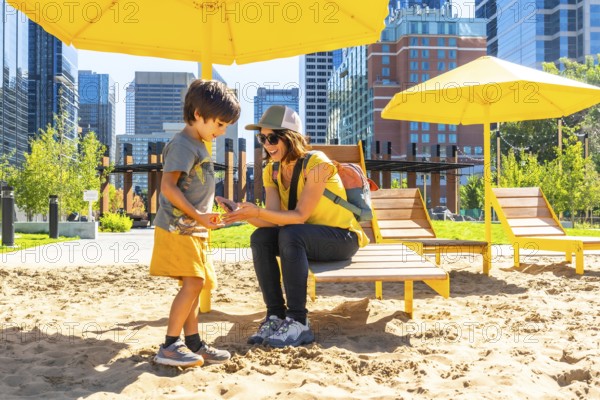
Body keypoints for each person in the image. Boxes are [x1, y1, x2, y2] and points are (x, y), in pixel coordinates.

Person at [222, 105, 369, 348]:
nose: (267, 144)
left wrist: (257, 211)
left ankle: (299, 322)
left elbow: (300, 216)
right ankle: (275, 316)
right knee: (261, 237)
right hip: (304, 238)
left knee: (291, 233)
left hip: (341, 239)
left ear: (291, 137)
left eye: (272, 137)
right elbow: (272, 219)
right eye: (262, 138)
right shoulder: (272, 170)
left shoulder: (318, 163)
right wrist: (242, 215)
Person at [150, 79, 240, 367]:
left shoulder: (199, 144)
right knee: (194, 282)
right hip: (179, 228)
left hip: (194, 228)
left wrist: (217, 201)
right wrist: (199, 216)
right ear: (199, 114)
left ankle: (193, 343)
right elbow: (169, 187)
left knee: (196, 285)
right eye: (220, 124)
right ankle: (169, 345)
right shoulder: (183, 145)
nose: (222, 131)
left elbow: (193, 186)